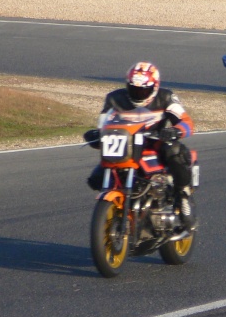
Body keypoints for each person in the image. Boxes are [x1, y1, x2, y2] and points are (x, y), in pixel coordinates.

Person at [83, 62, 197, 233]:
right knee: (95, 179)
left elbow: (186, 122)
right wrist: (97, 135)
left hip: (155, 143)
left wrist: (175, 131)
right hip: (127, 146)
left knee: (173, 151)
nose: (138, 94)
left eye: (143, 90)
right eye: (134, 89)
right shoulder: (114, 99)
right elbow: (104, 124)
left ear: (154, 87)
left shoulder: (166, 97)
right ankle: (119, 209)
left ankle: (183, 196)